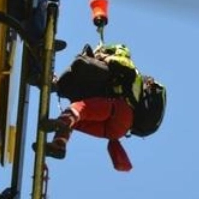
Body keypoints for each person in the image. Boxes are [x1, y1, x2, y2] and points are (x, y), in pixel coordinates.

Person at [45, 44, 162, 172]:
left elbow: (120, 62)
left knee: (80, 108)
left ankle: (61, 123)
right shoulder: (127, 82)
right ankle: (59, 145)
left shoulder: (125, 62)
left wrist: (103, 56)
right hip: (116, 130)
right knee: (76, 121)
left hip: (122, 112)